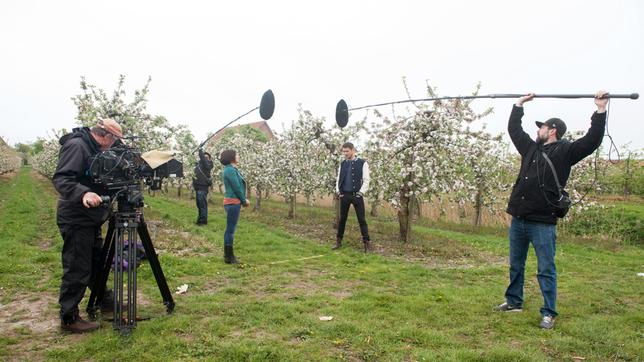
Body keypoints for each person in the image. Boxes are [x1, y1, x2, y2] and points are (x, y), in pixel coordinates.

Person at [495, 91, 608, 329]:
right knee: (516, 264)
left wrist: (600, 110)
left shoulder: (567, 152)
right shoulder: (530, 149)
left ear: (552, 130)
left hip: (543, 222)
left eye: (542, 127)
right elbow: (514, 130)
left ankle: (549, 312)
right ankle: (513, 301)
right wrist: (518, 104)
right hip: (519, 218)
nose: (538, 131)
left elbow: (592, 141)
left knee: (545, 268)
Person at [53, 118, 123, 333]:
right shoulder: (77, 146)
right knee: (77, 267)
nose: (115, 146)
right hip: (76, 217)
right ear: (106, 136)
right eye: (115, 141)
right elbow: (62, 179)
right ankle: (69, 318)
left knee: (96, 262)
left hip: (90, 217)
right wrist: (83, 193)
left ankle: (105, 302)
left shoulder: (94, 148)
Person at [333, 142, 371, 252]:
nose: (345, 153)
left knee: (362, 220)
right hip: (344, 195)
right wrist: (338, 191)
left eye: (347, 151)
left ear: (353, 150)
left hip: (357, 196)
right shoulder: (343, 164)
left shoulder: (362, 163)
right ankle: (338, 242)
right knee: (342, 219)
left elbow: (366, 180)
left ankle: (367, 244)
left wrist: (361, 192)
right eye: (343, 151)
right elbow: (339, 179)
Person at [220, 149, 249, 264]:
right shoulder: (230, 170)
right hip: (233, 202)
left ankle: (228, 255)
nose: (238, 156)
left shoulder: (231, 169)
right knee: (230, 230)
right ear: (232, 157)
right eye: (237, 154)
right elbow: (237, 187)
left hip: (232, 202)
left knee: (230, 229)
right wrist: (244, 201)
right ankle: (229, 257)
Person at [193, 148, 214, 225]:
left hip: (203, 188)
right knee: (199, 205)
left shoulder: (208, 165)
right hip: (198, 188)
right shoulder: (199, 165)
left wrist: (200, 150)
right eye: (204, 157)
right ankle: (200, 219)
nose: (205, 158)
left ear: (209, 159)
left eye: (206, 157)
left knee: (202, 205)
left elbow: (203, 159)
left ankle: (202, 222)